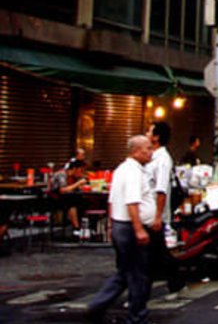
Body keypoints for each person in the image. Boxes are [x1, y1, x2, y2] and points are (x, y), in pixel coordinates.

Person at [87, 135, 156, 324]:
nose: (151, 152)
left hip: (120, 225)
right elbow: (131, 202)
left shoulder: (121, 170)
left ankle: (97, 306)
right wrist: (138, 229)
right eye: (147, 149)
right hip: (129, 227)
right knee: (137, 274)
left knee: (125, 272)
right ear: (136, 151)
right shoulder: (132, 172)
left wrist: (111, 225)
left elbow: (112, 201)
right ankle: (137, 316)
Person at [146, 122, 179, 289]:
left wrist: (158, 216)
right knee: (157, 253)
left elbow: (161, 190)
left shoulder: (163, 160)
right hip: (148, 212)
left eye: (148, 131)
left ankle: (141, 290)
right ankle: (176, 281)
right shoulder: (151, 157)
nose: (146, 134)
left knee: (152, 254)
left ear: (156, 137)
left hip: (155, 214)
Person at [47, 159, 88, 231]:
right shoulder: (62, 174)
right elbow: (62, 190)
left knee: (84, 201)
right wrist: (77, 184)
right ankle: (76, 228)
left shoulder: (74, 177)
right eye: (81, 171)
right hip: (55, 199)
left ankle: (84, 227)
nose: (82, 173)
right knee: (71, 203)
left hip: (67, 198)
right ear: (75, 169)